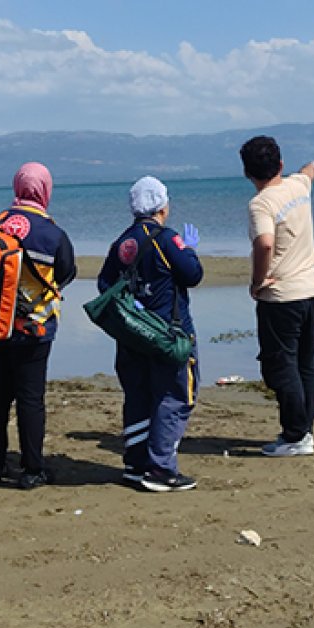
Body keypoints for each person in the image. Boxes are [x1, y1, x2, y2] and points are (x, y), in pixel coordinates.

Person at [97, 177, 203, 492]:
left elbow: (105, 285)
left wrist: (133, 306)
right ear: (161, 206)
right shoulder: (166, 240)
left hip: (132, 336)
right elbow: (193, 275)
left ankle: (135, 463)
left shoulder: (121, 244)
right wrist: (190, 251)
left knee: (138, 396)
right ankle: (161, 469)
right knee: (175, 396)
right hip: (169, 335)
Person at [0, 162, 76, 490]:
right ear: (45, 190)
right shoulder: (53, 234)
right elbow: (66, 272)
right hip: (34, 327)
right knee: (30, 398)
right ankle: (32, 468)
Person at [239, 136, 314, 457]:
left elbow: (264, 243)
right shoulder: (298, 186)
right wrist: (313, 166)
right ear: (280, 165)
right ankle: (303, 430)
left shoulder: (261, 203)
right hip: (312, 293)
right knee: (305, 363)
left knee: (280, 367)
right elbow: (308, 173)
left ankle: (296, 434)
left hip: (282, 296)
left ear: (247, 172)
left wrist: (257, 282)